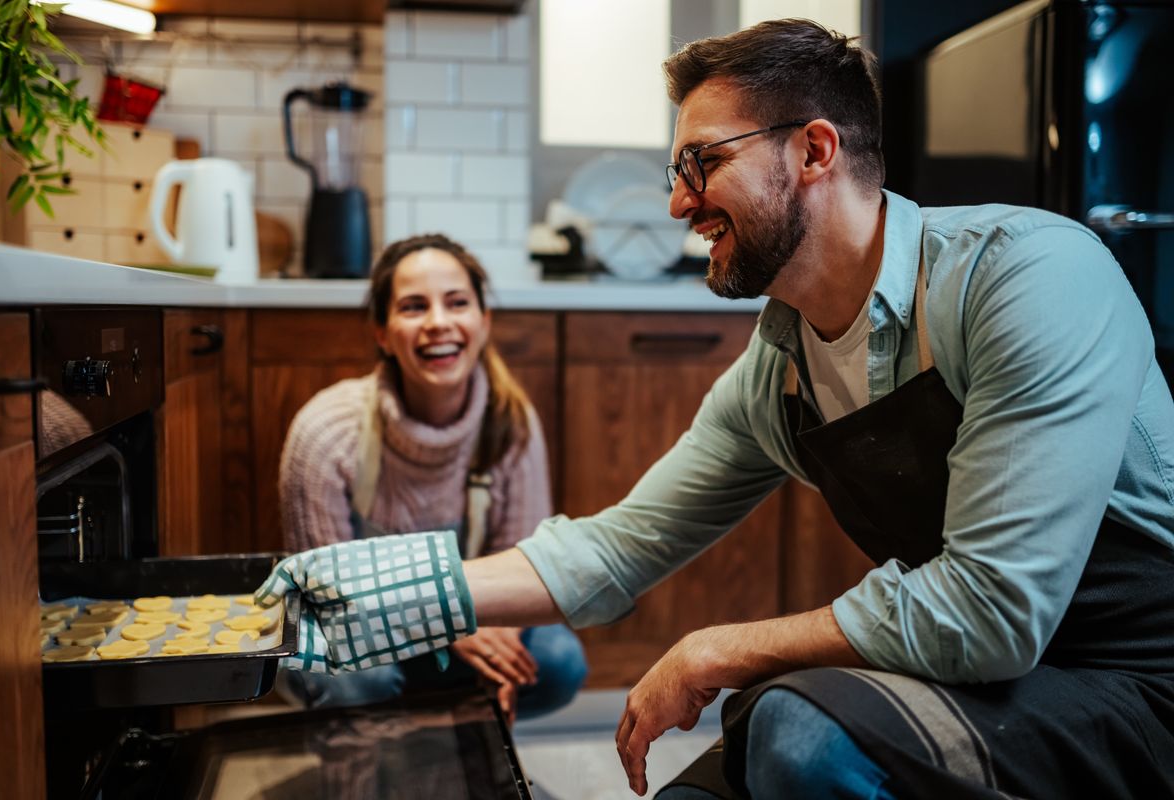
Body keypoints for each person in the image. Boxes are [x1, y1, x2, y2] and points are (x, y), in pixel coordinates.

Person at [260, 19, 1174, 799]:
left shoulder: (1026, 278)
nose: (675, 201)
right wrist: (355, 592)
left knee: (796, 731)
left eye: (701, 162)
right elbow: (618, 548)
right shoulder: (779, 369)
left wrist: (717, 650)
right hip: (983, 673)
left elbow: (992, 608)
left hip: (1132, 677)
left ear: (814, 151)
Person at [276, 232, 586, 723]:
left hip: (473, 620)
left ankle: (459, 734)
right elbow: (325, 595)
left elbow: (521, 569)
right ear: (383, 333)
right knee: (361, 678)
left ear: (483, 323)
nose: (439, 323)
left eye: (457, 303)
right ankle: (363, 752)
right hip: (357, 629)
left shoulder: (511, 425)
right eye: (414, 307)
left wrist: (495, 661)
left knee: (557, 663)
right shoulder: (327, 434)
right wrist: (449, 627)